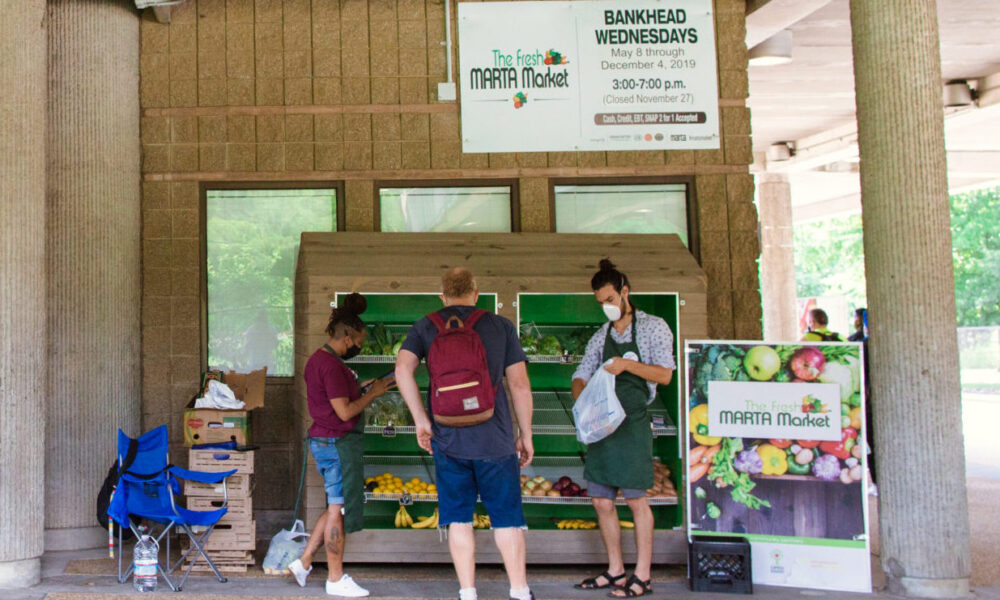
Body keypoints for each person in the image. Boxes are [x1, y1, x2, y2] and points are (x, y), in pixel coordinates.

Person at [395, 267, 536, 600]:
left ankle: (468, 593)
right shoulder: (500, 326)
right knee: (506, 520)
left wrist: (421, 420)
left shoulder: (426, 326)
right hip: (496, 440)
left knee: (458, 519)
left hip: (448, 438)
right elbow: (518, 384)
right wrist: (525, 434)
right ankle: (519, 591)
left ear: (442, 296)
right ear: (476, 294)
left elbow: (402, 370)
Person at [571, 259, 675, 598]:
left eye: (610, 299)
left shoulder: (653, 327)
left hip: (631, 423)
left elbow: (665, 374)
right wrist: (583, 405)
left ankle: (642, 575)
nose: (606, 306)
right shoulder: (601, 336)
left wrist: (626, 364)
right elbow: (581, 374)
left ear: (625, 292)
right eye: (601, 302)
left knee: (635, 500)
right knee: (601, 502)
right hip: (603, 426)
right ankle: (616, 569)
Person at [288, 293, 395, 597]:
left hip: (326, 439)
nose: (359, 347)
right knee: (338, 510)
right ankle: (335, 580)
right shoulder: (332, 366)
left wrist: (361, 387)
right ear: (347, 337)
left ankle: (304, 562)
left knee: (334, 503)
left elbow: (335, 398)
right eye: (359, 341)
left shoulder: (321, 359)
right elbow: (345, 411)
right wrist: (372, 394)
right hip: (335, 443)